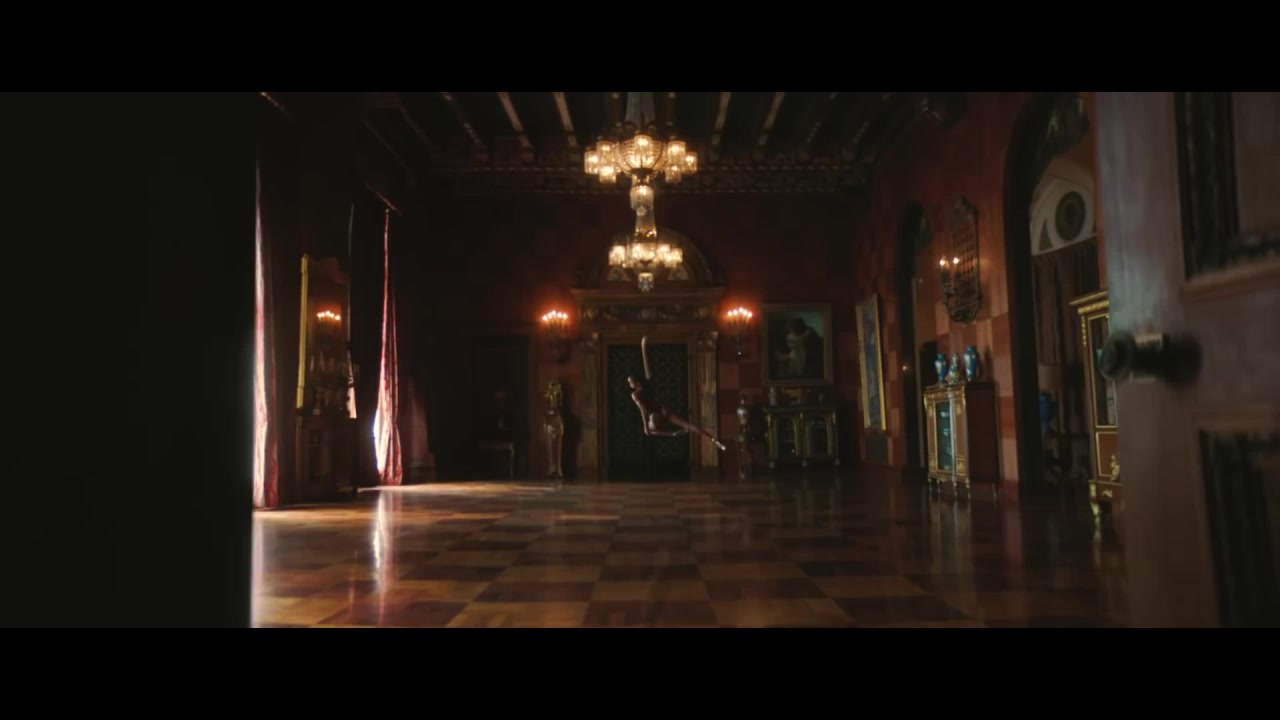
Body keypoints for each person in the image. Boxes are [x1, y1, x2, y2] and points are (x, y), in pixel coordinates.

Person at [629, 336, 727, 451]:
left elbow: (643, 410)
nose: (629, 384)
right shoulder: (647, 382)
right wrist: (643, 346)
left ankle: (672, 434)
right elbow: (647, 366)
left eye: (630, 382)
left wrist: (645, 425)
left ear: (636, 382)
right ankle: (713, 440)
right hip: (663, 410)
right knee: (688, 425)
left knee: (648, 431)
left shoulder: (635, 395)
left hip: (655, 416)